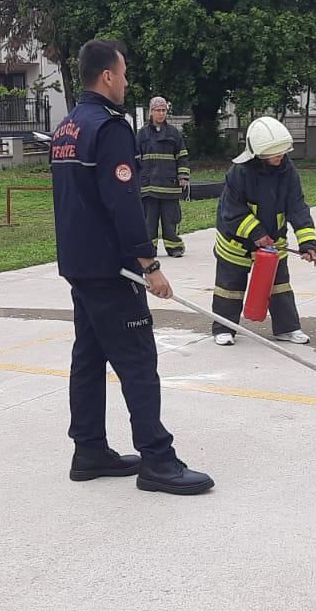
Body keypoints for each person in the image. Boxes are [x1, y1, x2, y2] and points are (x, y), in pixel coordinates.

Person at [50, 38, 212, 495]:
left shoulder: (66, 128)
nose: (126, 82)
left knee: (88, 357)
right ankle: (157, 459)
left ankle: (89, 450)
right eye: (122, 74)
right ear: (107, 76)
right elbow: (123, 202)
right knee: (138, 360)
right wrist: (149, 263)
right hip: (112, 270)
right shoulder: (110, 128)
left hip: (79, 264)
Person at [211, 116, 316, 346]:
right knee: (229, 287)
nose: (280, 156)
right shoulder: (239, 172)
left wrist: (308, 243)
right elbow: (232, 210)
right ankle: (224, 328)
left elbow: (297, 206)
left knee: (280, 286)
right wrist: (257, 233)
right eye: (274, 152)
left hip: (272, 241)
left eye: (282, 151)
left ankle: (287, 329)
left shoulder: (288, 171)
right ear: (258, 153)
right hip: (236, 243)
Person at [138, 96, 190, 257]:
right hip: (148, 187)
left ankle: (174, 248)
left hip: (170, 186)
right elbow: (134, 158)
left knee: (170, 220)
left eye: (163, 110)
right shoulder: (142, 134)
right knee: (149, 222)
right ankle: (149, 249)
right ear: (151, 112)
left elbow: (182, 156)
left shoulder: (174, 133)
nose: (161, 113)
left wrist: (183, 176)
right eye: (158, 110)